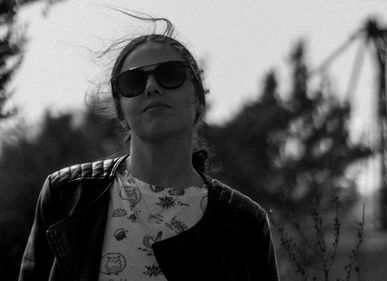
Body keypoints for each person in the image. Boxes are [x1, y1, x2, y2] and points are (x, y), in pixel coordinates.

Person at [18, 19, 280, 281]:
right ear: (121, 111)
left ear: (199, 101)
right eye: (132, 81)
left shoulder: (244, 222)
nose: (151, 87)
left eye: (170, 75)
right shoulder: (67, 194)